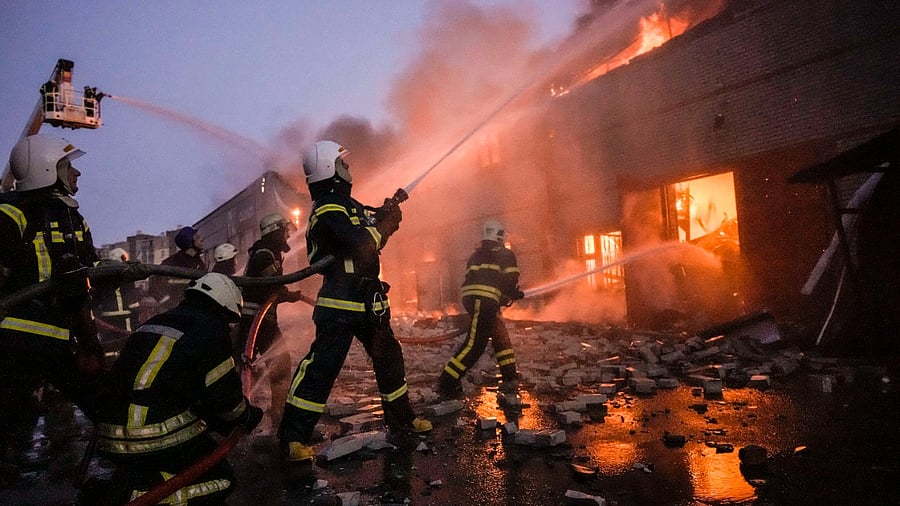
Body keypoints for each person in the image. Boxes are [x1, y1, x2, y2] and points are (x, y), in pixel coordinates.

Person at [278, 140, 431, 462]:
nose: (349, 168)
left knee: (390, 359)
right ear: (328, 168)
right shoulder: (328, 208)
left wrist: (386, 218)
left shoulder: (348, 206)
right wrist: (384, 226)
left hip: (368, 300)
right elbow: (358, 243)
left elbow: (370, 239)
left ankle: (401, 419)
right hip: (340, 302)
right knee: (322, 368)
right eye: (342, 163)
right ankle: (293, 437)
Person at [94, 273, 263, 504]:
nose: (229, 328)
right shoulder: (212, 330)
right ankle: (139, 496)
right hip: (149, 437)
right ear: (225, 308)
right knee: (221, 478)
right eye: (230, 321)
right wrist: (249, 415)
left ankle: (135, 483)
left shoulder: (155, 323)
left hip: (108, 435)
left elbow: (170, 383)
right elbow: (225, 401)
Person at [0, 134, 105, 464]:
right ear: (46, 169)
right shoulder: (10, 213)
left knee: (107, 406)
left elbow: (84, 283)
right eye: (68, 165)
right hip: (14, 342)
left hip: (61, 340)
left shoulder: (75, 218)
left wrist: (90, 345)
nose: (76, 173)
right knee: (9, 421)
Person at [437, 220, 525, 399]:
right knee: (475, 345)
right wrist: (513, 294)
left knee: (500, 335)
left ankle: (509, 376)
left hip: (472, 299)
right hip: (483, 301)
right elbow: (510, 279)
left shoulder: (475, 256)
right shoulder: (506, 254)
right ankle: (447, 382)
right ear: (499, 235)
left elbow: (481, 279)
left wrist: (500, 297)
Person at [237, 214, 303, 425]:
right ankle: (278, 416)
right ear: (275, 231)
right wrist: (283, 292)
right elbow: (268, 286)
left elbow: (269, 287)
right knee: (281, 365)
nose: (287, 235)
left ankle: (242, 410)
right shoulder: (264, 254)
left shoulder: (265, 252)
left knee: (244, 366)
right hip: (259, 321)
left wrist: (287, 295)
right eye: (284, 231)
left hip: (256, 320)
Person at [150, 226, 206, 313]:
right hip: (178, 312)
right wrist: (169, 304)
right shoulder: (171, 264)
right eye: (198, 237)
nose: (201, 239)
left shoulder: (199, 262)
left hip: (198, 309)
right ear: (189, 242)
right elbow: (155, 286)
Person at [94, 247, 143, 342]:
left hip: (105, 316)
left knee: (109, 341)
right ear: (123, 257)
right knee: (126, 341)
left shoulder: (101, 270)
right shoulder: (125, 271)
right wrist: (136, 314)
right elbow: (130, 295)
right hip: (124, 316)